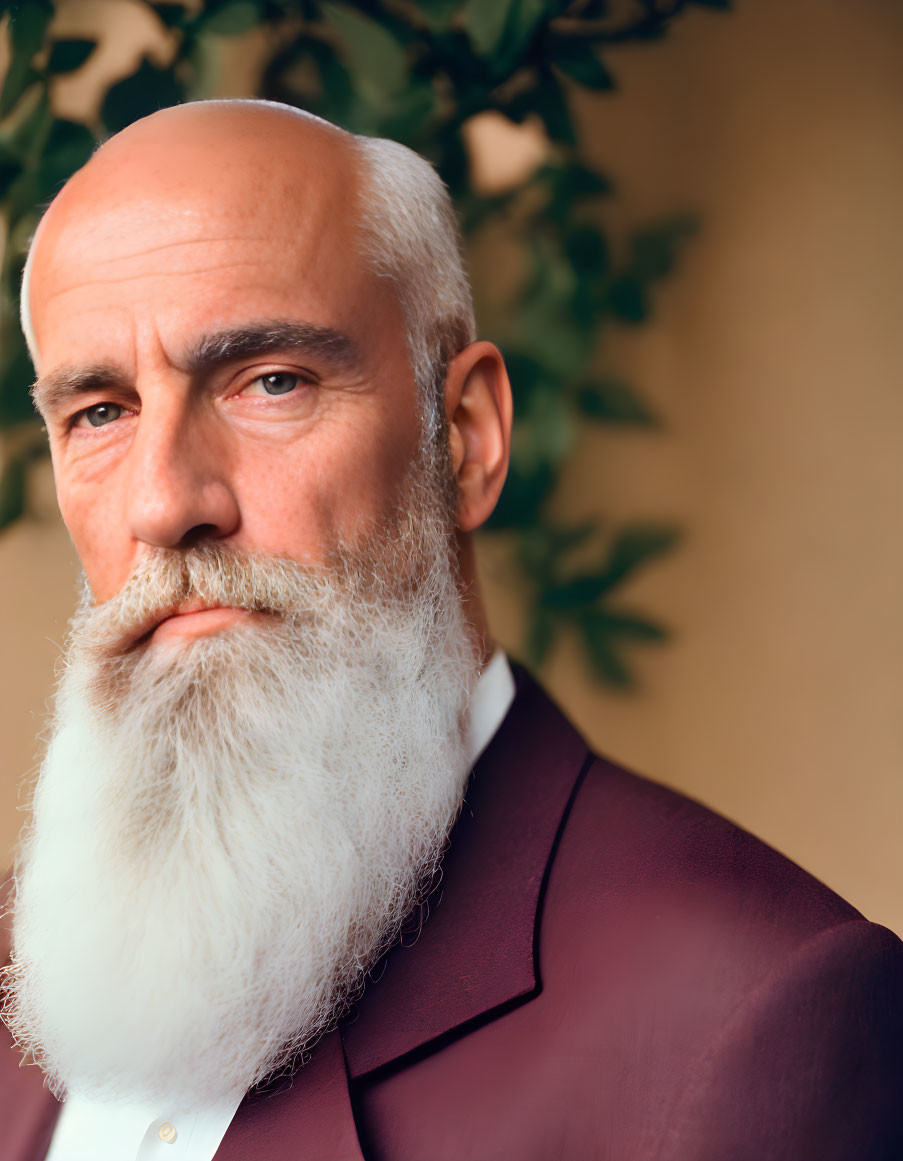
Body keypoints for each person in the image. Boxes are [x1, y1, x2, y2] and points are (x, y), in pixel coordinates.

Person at [0, 100, 900, 1161]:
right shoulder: (25, 958)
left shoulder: (756, 1016)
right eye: (100, 412)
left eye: (271, 382)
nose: (163, 503)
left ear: (464, 438)